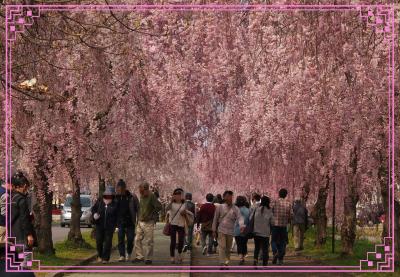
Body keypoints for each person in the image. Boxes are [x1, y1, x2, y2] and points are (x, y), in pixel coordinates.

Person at [212, 190, 245, 268]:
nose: (229, 198)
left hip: (230, 231)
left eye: (230, 197)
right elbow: (215, 218)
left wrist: (241, 226)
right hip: (221, 230)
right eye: (227, 196)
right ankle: (222, 263)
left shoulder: (235, 208)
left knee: (228, 248)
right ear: (224, 197)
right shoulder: (220, 207)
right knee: (222, 247)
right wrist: (213, 230)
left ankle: (226, 261)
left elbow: (240, 217)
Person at [10, 172, 35, 268]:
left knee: (16, 262)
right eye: (27, 187)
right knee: (26, 263)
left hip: (12, 236)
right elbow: (24, 219)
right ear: (24, 186)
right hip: (22, 236)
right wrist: (29, 235)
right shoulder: (22, 200)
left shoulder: (11, 198)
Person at [133, 181, 162, 264]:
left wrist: (152, 214)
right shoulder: (141, 196)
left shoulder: (151, 196)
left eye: (141, 190)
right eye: (139, 191)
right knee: (137, 239)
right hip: (140, 222)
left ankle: (148, 258)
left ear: (146, 189)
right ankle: (139, 256)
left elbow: (159, 206)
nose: (140, 192)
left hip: (148, 222)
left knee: (149, 241)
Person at [166, 188, 194, 264]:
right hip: (173, 224)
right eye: (176, 195)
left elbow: (186, 212)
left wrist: (184, 213)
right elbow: (166, 209)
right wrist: (171, 202)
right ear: (174, 196)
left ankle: (179, 254)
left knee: (181, 241)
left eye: (179, 195)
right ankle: (172, 257)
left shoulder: (184, 204)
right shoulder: (171, 203)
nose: (178, 196)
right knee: (173, 241)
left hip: (181, 224)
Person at [91, 185, 118, 264]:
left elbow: (117, 216)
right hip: (100, 225)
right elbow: (93, 209)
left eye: (110, 195)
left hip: (110, 227)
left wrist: (117, 226)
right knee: (99, 241)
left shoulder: (115, 204)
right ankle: (99, 255)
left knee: (108, 242)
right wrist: (95, 214)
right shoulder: (100, 202)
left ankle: (105, 258)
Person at [115, 179, 139, 262]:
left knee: (130, 239)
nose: (119, 191)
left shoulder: (132, 197)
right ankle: (122, 255)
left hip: (130, 222)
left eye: (121, 189)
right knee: (120, 239)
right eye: (118, 189)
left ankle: (129, 252)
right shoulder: (116, 197)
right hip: (120, 222)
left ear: (124, 188)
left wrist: (138, 220)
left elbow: (138, 208)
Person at [271, 188, 292, 265]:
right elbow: (291, 215)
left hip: (275, 225)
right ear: (286, 195)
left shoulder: (274, 202)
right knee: (283, 242)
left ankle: (275, 252)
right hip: (284, 226)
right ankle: (280, 259)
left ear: (279, 194)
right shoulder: (288, 203)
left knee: (273, 240)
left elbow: (271, 212)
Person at [251, 196, 273, 267]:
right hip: (265, 233)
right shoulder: (270, 211)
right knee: (265, 249)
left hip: (256, 232)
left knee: (257, 248)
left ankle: (255, 260)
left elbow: (251, 218)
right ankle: (264, 264)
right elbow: (273, 222)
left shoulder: (256, 209)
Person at [234, 196, 250, 265]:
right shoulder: (248, 210)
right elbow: (249, 220)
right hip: (245, 229)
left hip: (237, 229)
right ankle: (243, 256)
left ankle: (240, 257)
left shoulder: (235, 209)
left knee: (239, 244)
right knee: (244, 243)